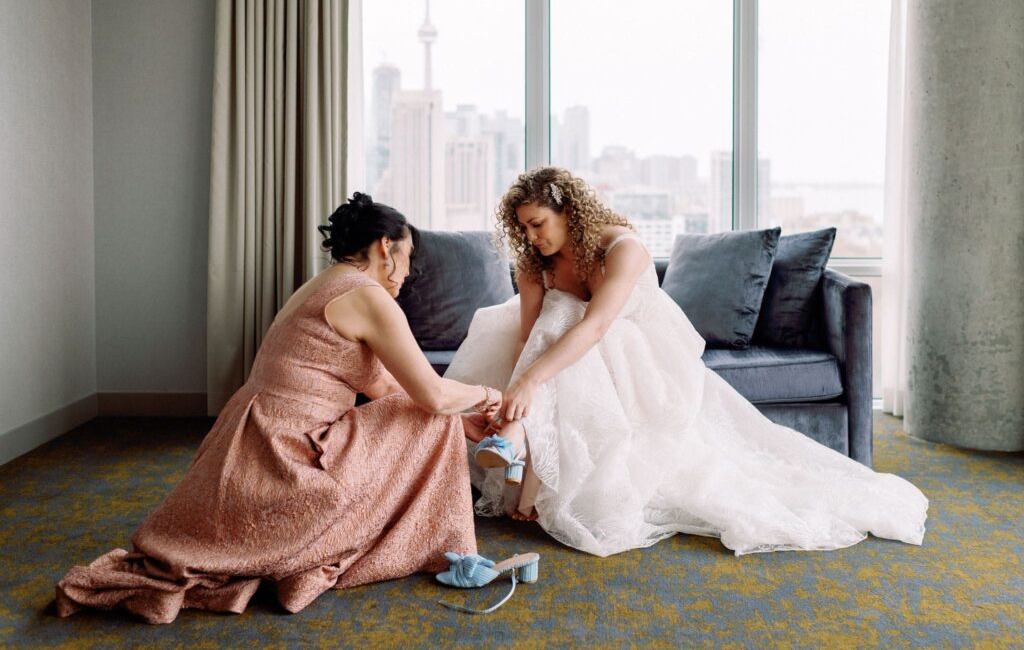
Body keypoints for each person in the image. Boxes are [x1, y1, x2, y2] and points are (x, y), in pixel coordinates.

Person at [55, 193, 500, 624]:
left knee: (439, 420)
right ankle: (445, 549)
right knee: (433, 416)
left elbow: (383, 384)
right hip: (290, 453)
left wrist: (462, 423)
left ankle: (432, 540)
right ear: (386, 247)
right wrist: (488, 396)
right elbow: (432, 395)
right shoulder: (368, 295)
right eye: (409, 257)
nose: (408, 272)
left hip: (252, 441)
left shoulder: (322, 284)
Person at [445, 167, 928, 558]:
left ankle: (515, 452)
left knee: (567, 323)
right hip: (569, 354)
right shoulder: (536, 262)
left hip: (640, 357)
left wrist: (528, 383)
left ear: (568, 212)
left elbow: (595, 328)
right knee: (554, 320)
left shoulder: (623, 249)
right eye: (523, 228)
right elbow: (528, 334)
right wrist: (517, 387)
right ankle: (521, 464)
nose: (531, 238)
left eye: (538, 225)